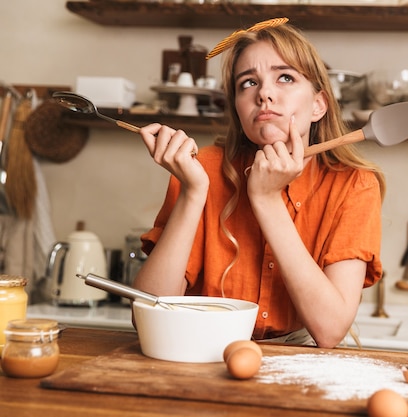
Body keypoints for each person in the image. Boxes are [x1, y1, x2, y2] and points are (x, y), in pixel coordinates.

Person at [134, 19, 385, 348]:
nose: (264, 93)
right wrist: (193, 193)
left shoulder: (354, 186)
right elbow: (146, 317)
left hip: (300, 364)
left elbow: (330, 329)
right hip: (197, 351)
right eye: (248, 83)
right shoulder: (201, 170)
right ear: (238, 109)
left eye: (285, 77)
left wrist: (266, 201)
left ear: (318, 105)